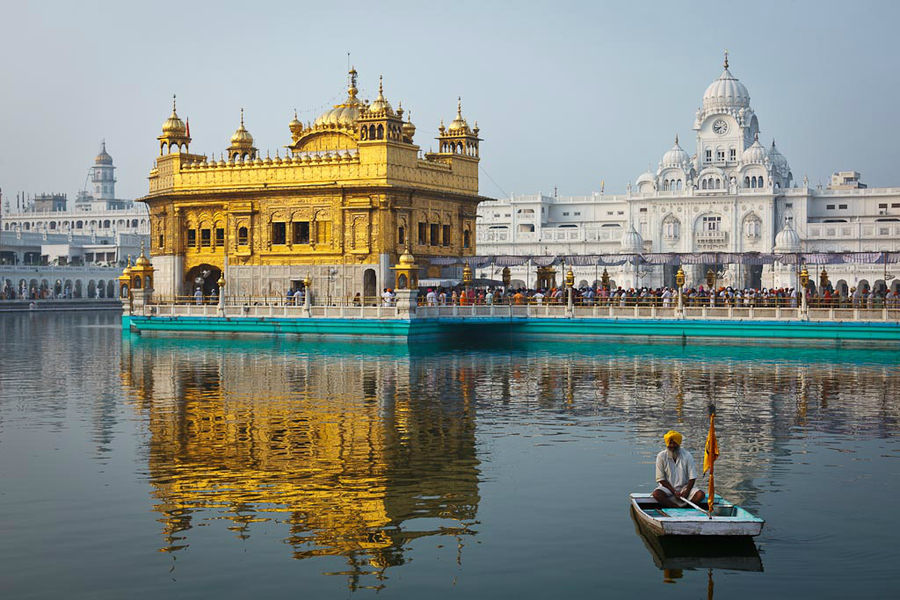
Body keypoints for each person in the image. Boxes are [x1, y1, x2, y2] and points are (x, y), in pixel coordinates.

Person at [652, 430, 705, 508]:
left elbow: (692, 477)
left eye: (675, 443)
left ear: (679, 443)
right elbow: (661, 479)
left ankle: (687, 508)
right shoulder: (661, 456)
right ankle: (675, 507)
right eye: (670, 443)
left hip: (685, 487)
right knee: (656, 494)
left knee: (700, 494)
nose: (672, 446)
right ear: (667, 444)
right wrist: (674, 492)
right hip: (668, 488)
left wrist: (686, 492)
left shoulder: (687, 455)